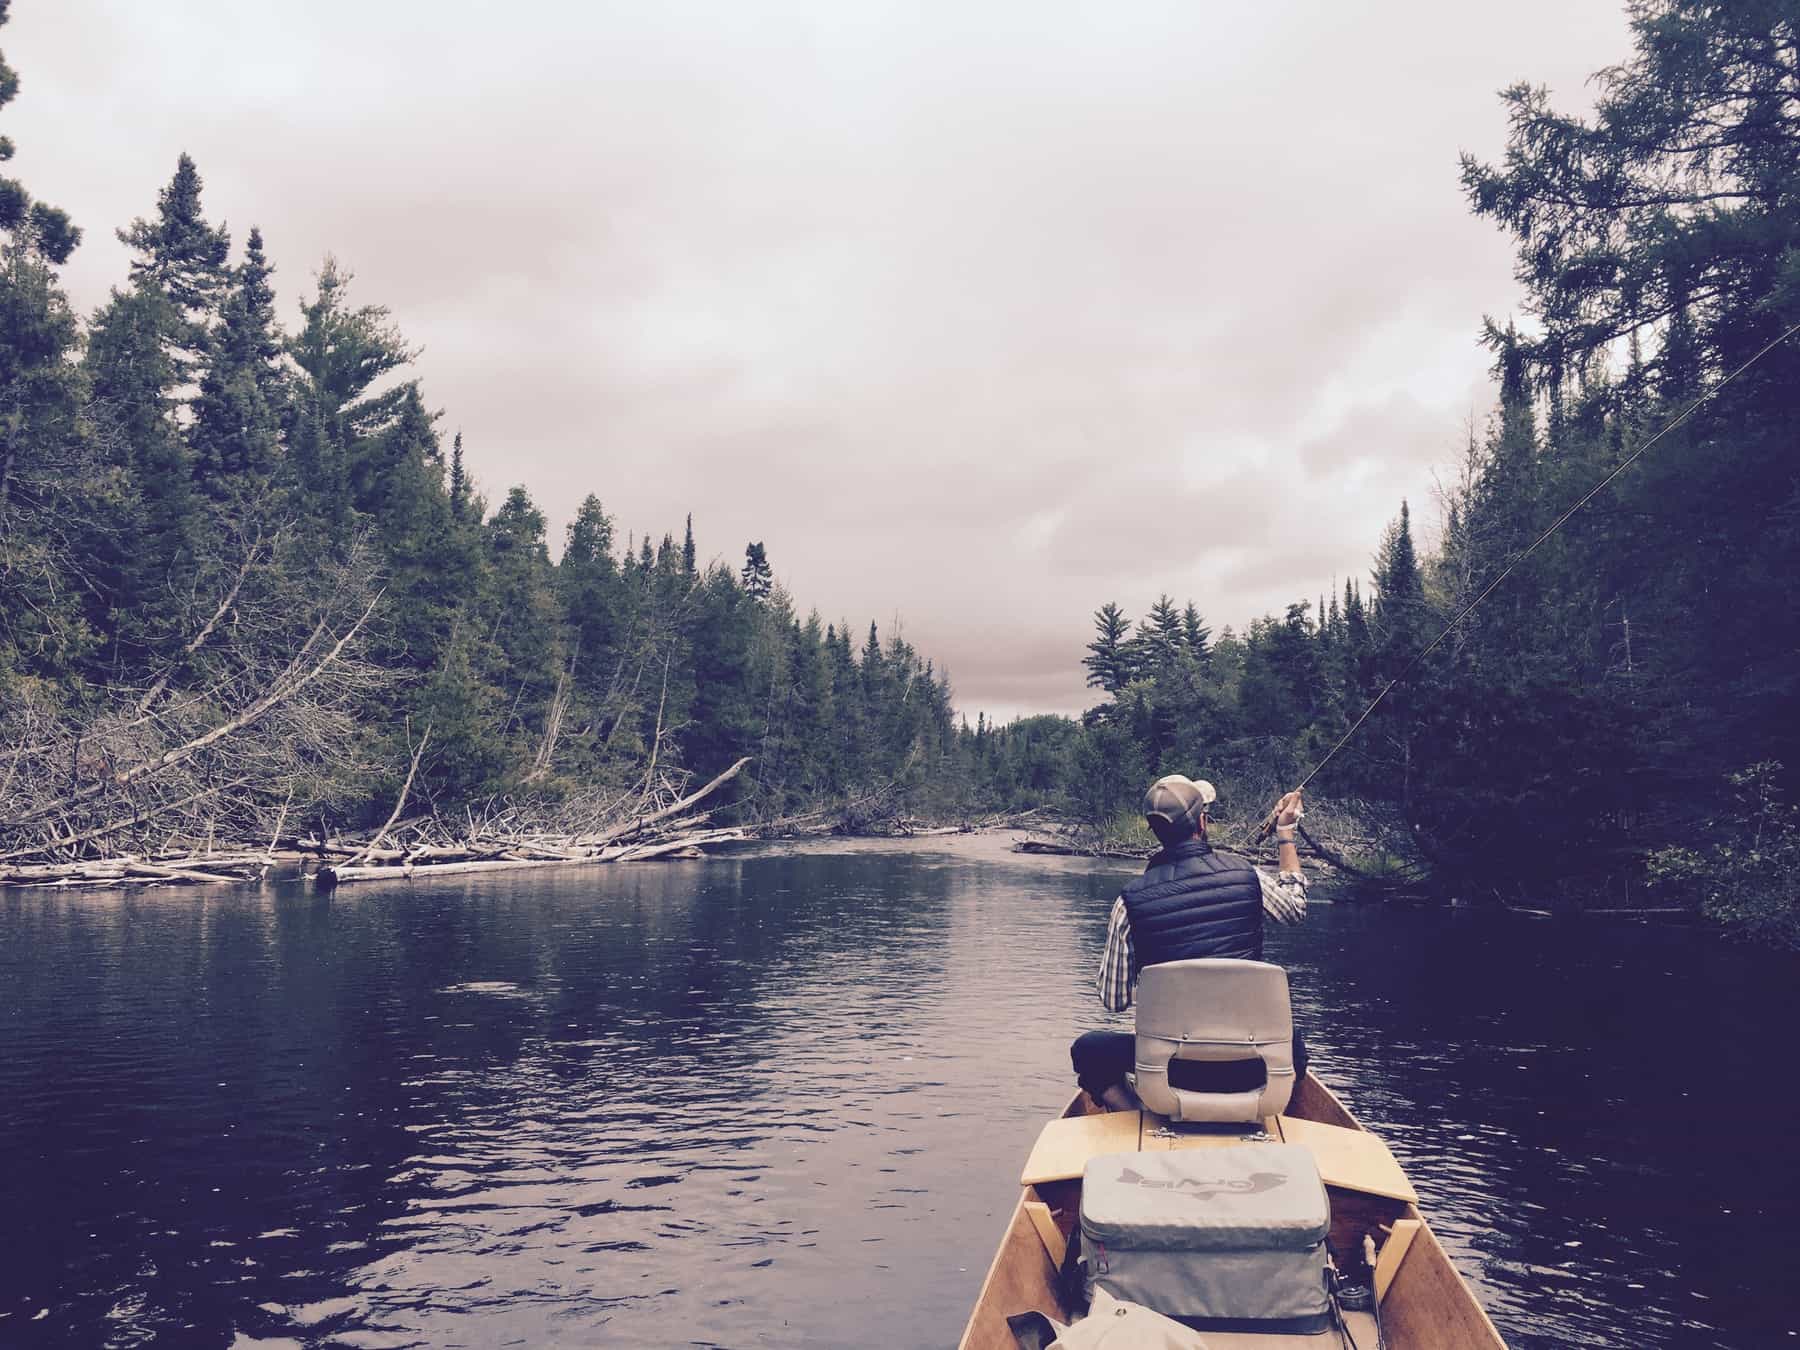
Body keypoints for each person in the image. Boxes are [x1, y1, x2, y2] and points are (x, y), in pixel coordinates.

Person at [1071, 774, 1309, 1112]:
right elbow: (1295, 909)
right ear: (1202, 822)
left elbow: (1113, 1000)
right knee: (1293, 1040)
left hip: (1169, 1073)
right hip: (1251, 1069)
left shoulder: (1128, 903)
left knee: (1088, 1050)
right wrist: (1285, 833)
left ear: (1155, 832)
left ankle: (1136, 1115)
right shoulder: (1248, 876)